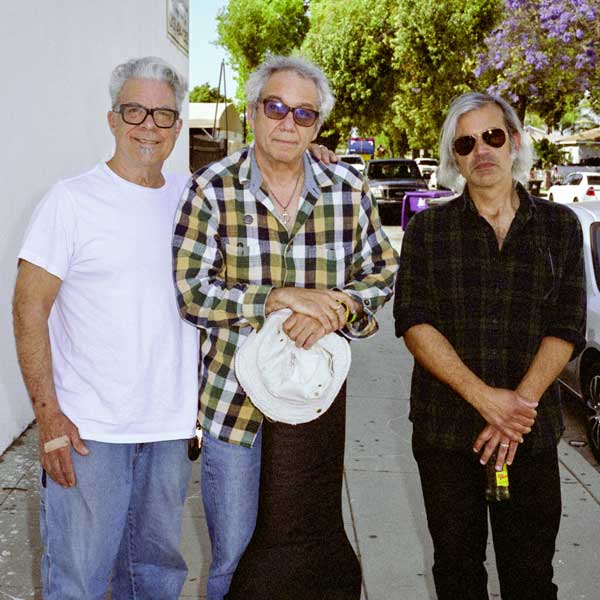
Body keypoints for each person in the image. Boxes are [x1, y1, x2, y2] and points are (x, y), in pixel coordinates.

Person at [172, 54, 399, 599]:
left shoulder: (347, 188)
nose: (287, 123)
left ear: (318, 125)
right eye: (275, 107)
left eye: (304, 114)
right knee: (234, 560)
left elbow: (383, 271)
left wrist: (342, 306)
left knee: (308, 554)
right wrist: (276, 299)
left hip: (312, 405)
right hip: (234, 409)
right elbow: (191, 291)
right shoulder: (211, 188)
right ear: (252, 111)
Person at [12, 56, 199, 599]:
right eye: (134, 110)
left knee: (156, 578)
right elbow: (29, 311)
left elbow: (262, 180)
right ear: (112, 119)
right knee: (80, 581)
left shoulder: (193, 200)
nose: (148, 125)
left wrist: (317, 158)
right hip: (88, 432)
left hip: (168, 428)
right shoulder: (69, 202)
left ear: (178, 126)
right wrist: (48, 418)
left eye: (163, 114)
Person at [393, 91, 586, 600]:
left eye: (492, 136)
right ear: (453, 156)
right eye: (465, 142)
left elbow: (567, 326)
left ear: (515, 142)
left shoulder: (560, 227)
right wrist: (486, 399)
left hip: (531, 437)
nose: (481, 150)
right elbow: (414, 322)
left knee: (531, 579)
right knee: (457, 574)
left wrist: (515, 408)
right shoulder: (428, 231)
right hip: (446, 435)